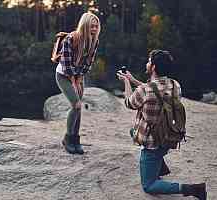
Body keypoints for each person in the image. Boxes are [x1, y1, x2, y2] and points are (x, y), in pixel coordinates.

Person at [117, 50, 207, 200]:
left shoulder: (144, 90)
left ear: (152, 67)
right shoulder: (175, 85)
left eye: (148, 61)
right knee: (133, 131)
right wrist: (133, 80)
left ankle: (193, 189)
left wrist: (126, 82)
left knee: (149, 185)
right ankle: (158, 165)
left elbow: (129, 102)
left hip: (152, 143)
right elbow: (155, 91)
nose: (147, 63)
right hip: (169, 135)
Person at [55, 12, 100, 154]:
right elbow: (66, 65)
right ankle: (67, 139)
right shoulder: (70, 39)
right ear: (85, 25)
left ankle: (75, 140)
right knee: (76, 105)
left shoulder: (94, 41)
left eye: (96, 26)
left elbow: (89, 63)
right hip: (64, 75)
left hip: (79, 75)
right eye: (91, 26)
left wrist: (80, 77)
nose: (94, 29)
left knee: (78, 109)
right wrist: (74, 80)